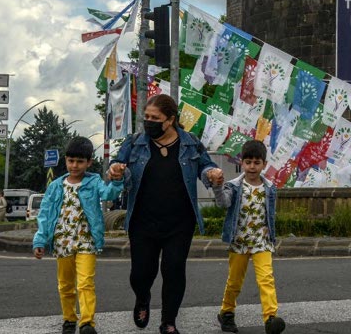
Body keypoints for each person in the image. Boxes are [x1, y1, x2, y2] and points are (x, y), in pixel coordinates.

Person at [107, 94, 224, 334]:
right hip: (142, 219)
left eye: (155, 118)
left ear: (170, 120)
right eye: (146, 117)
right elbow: (118, 164)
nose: (148, 121)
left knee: (174, 269)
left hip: (180, 222)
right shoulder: (135, 142)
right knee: (141, 273)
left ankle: (168, 321)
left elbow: (206, 165)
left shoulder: (190, 142)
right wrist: (116, 170)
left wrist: (213, 174)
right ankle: (142, 299)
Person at [32, 137, 125, 334]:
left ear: (89, 162)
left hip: (87, 241)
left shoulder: (94, 181)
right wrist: (40, 240)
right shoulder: (56, 186)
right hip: (62, 243)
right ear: (65, 160)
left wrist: (117, 180)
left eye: (80, 161)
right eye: (71, 160)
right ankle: (68, 319)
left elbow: (108, 194)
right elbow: (45, 215)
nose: (75, 165)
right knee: (65, 285)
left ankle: (87, 323)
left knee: (85, 283)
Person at [213, 140, 285, 334]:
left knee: (266, 279)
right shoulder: (234, 186)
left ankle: (270, 318)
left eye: (256, 162)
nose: (252, 167)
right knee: (235, 281)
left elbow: (270, 214)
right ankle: (226, 312)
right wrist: (217, 187)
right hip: (239, 242)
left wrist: (270, 235)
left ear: (264, 164)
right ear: (242, 163)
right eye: (248, 162)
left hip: (262, 242)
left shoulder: (270, 188)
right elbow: (223, 204)